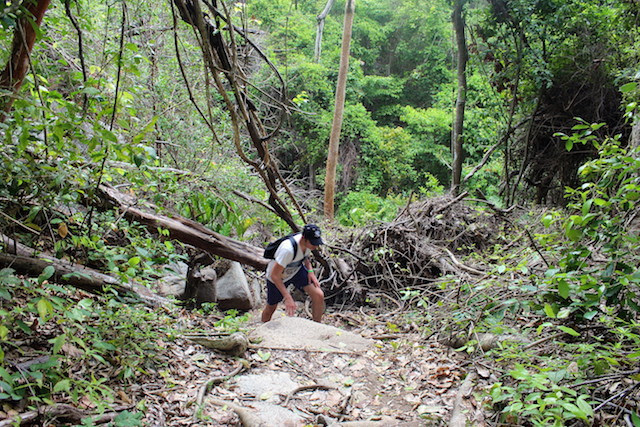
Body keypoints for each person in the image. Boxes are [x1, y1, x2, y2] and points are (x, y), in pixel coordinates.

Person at [261, 224, 325, 323]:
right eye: (313, 243)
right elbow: (275, 275)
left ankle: (317, 325)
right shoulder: (288, 250)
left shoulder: (309, 244)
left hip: (296, 270)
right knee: (271, 307)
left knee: (318, 295)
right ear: (304, 238)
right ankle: (262, 330)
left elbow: (305, 257)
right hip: (277, 277)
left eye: (317, 243)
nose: (315, 246)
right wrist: (287, 297)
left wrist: (310, 271)